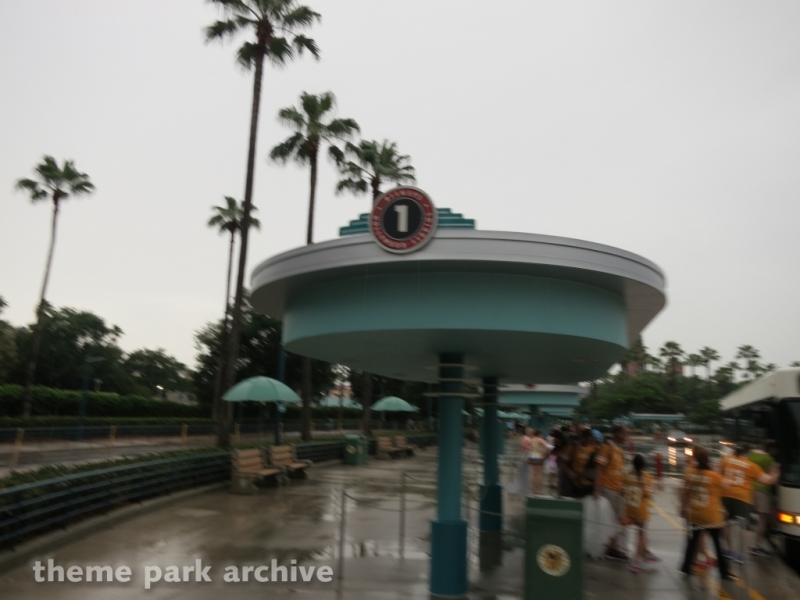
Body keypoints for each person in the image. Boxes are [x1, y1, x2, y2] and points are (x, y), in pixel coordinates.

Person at [680, 445, 733, 580]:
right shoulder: (713, 475)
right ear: (708, 459)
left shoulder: (691, 474)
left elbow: (685, 494)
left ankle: (686, 567)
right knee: (717, 544)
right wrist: (716, 470)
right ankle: (724, 572)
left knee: (692, 542)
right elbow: (726, 485)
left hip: (695, 514)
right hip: (711, 515)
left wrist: (683, 508)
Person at [718, 443, 779, 561]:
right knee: (743, 526)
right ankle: (740, 554)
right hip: (742, 498)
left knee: (726, 523)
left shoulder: (726, 460)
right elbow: (768, 480)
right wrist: (775, 474)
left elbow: (717, 473)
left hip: (725, 495)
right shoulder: (751, 466)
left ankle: (728, 549)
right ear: (746, 453)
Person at [595, 424, 629, 560]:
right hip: (608, 488)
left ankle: (613, 547)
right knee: (610, 519)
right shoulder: (606, 448)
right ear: (617, 434)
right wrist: (597, 490)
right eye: (625, 434)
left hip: (618, 489)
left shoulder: (620, 451)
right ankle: (610, 548)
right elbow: (599, 468)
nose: (626, 437)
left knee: (618, 520)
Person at [624, 454, 659, 573]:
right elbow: (648, 494)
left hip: (630, 508)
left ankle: (646, 553)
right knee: (641, 534)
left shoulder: (628, 475)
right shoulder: (647, 477)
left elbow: (622, 490)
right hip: (641, 509)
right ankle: (636, 561)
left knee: (641, 533)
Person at [748, 441, 779, 555]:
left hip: (750, 488)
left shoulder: (751, 454)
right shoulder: (769, 459)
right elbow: (773, 478)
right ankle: (755, 546)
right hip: (763, 490)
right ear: (772, 449)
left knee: (754, 517)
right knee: (762, 520)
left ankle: (750, 544)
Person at [569, 428, 597, 498]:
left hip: (588, 483)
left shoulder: (594, 448)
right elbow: (562, 461)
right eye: (586, 439)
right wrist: (569, 472)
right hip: (575, 482)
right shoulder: (574, 447)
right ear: (582, 437)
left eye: (589, 440)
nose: (588, 442)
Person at [528, 429, 549, 495]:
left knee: (533, 474)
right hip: (539, 457)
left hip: (531, 457)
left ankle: (533, 489)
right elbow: (548, 446)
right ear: (540, 434)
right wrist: (544, 452)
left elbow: (529, 448)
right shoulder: (540, 439)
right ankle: (538, 490)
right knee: (539, 474)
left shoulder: (532, 439)